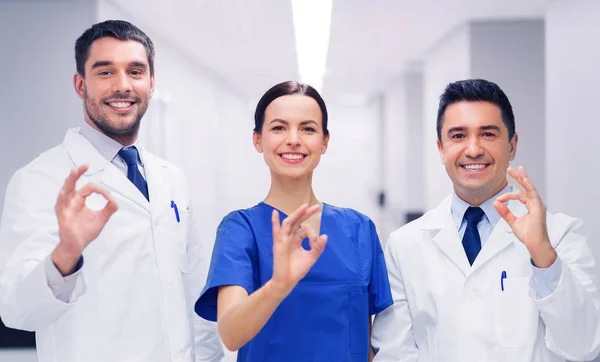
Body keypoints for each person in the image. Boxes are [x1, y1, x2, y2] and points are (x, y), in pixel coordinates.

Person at [0, 20, 223, 362]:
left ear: (151, 84)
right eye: (105, 73)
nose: (122, 86)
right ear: (80, 84)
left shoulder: (172, 179)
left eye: (135, 71)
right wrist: (66, 255)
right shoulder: (39, 179)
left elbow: (193, 296)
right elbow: (17, 312)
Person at [371, 78, 600, 362]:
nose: (473, 149)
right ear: (441, 149)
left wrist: (543, 256)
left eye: (488, 134)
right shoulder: (404, 245)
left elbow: (585, 346)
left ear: (512, 145)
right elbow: (394, 354)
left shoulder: (560, 234)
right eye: (458, 136)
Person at [194, 80, 393, 362]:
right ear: (257, 140)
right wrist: (277, 286)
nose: (293, 139)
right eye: (278, 127)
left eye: (308, 129)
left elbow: (368, 342)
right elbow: (230, 333)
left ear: (325, 141)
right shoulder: (240, 230)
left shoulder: (358, 229)